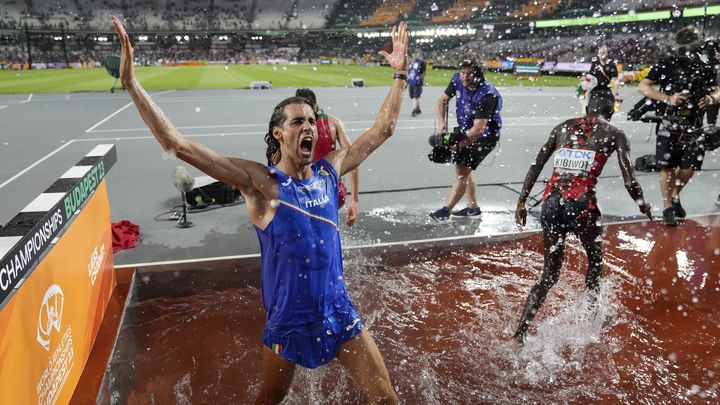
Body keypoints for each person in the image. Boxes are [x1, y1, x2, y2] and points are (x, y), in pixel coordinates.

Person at [111, 16, 408, 404]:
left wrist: (401, 75)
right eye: (297, 121)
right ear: (279, 133)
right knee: (269, 401)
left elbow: (382, 130)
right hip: (289, 321)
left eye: (311, 122)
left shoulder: (327, 171)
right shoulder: (261, 184)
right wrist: (132, 84)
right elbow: (178, 144)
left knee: (385, 399)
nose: (309, 128)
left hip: (339, 311)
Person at [512, 89, 652, 346]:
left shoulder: (563, 127)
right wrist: (644, 205)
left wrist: (522, 201)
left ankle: (519, 335)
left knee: (549, 275)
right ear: (611, 112)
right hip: (582, 206)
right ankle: (592, 318)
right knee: (595, 260)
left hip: (551, 203)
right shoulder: (614, 133)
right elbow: (630, 180)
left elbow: (537, 164)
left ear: (587, 109)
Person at [637, 26, 720, 226]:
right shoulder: (666, 63)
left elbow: (719, 91)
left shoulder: (704, 65)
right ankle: (667, 207)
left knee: (689, 169)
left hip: (695, 125)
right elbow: (643, 86)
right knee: (667, 167)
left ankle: (674, 195)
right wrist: (667, 98)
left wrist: (710, 98)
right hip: (669, 123)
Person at [268, 88, 360, 227]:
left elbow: (278, 165)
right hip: (334, 192)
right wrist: (354, 200)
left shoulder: (290, 131)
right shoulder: (334, 123)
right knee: (324, 220)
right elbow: (353, 158)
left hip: (301, 195)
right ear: (316, 106)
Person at [430, 57, 503, 221]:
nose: (464, 77)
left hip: (486, 136)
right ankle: (473, 208)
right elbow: (441, 101)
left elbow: (478, 130)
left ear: (478, 74)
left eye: (469, 74)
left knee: (462, 171)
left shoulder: (488, 95)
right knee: (463, 167)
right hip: (465, 128)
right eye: (462, 72)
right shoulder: (457, 79)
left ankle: (446, 210)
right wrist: (442, 124)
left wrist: (457, 143)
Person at [408, 49, 426, 117]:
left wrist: (420, 77)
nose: (415, 55)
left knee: (416, 96)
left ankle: (414, 109)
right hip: (411, 81)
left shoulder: (421, 63)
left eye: (416, 54)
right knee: (413, 96)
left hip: (417, 82)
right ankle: (418, 108)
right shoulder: (410, 63)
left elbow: (424, 72)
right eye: (413, 54)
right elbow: (409, 71)